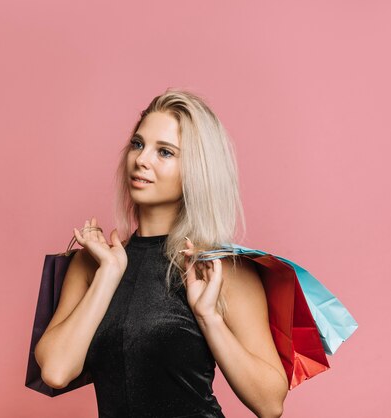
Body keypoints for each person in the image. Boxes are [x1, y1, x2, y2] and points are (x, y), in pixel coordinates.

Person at [34, 89, 288, 417]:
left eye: (165, 152)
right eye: (138, 144)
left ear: (195, 170)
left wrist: (209, 317)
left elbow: (270, 404)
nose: (141, 159)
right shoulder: (93, 262)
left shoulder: (216, 267)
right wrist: (109, 274)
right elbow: (56, 371)